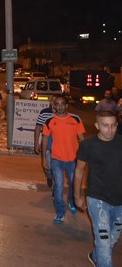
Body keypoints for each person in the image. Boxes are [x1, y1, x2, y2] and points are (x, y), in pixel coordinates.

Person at [74, 110, 122, 267]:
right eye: (105, 125)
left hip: (119, 200)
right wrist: (77, 196)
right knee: (103, 242)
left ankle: (95, 256)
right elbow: (79, 170)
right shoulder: (88, 145)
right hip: (97, 199)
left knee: (112, 238)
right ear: (97, 126)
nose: (110, 130)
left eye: (113, 125)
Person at [41, 96, 85, 224]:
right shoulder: (49, 120)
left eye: (62, 104)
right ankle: (60, 213)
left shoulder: (75, 119)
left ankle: (72, 202)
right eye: (57, 104)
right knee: (58, 186)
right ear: (54, 105)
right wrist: (43, 158)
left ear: (66, 105)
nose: (60, 106)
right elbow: (44, 139)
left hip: (73, 159)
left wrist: (85, 156)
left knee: (73, 184)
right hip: (56, 159)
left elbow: (82, 138)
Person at [34, 97, 55, 187]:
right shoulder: (44, 112)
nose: (54, 103)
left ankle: (56, 189)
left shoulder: (62, 114)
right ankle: (49, 176)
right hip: (47, 144)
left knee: (57, 168)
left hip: (59, 145)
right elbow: (38, 128)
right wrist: (36, 143)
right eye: (53, 100)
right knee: (47, 166)